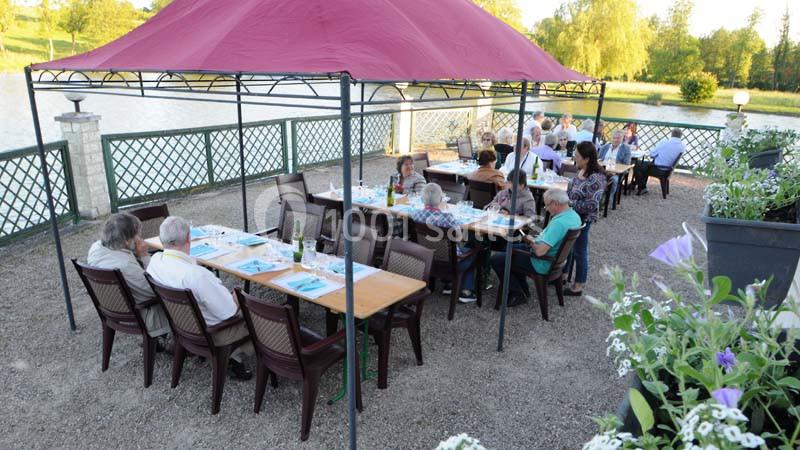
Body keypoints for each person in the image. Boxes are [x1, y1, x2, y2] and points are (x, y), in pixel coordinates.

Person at [146, 216, 253, 380]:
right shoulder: (196, 275)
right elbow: (229, 313)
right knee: (254, 309)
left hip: (183, 326)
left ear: (162, 239)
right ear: (189, 238)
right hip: (212, 333)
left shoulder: (155, 261)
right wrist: (238, 296)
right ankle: (241, 356)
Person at [490, 188, 581, 307]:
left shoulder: (559, 223)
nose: (546, 209)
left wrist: (530, 241)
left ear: (555, 204)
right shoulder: (573, 216)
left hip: (542, 262)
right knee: (508, 248)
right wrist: (536, 239)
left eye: (547, 205)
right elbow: (550, 239)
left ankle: (517, 293)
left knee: (496, 259)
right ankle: (523, 288)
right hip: (555, 259)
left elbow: (539, 252)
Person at [87, 213, 171, 341]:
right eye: (137, 235)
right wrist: (144, 255)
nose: (140, 237)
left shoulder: (96, 249)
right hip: (143, 313)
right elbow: (155, 290)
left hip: (112, 308)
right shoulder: (124, 266)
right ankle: (179, 340)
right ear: (126, 241)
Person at [411, 183, 479, 303]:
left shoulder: (416, 215)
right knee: (474, 251)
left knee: (462, 250)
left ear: (422, 199)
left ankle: (449, 284)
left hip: (425, 259)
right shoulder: (448, 218)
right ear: (441, 199)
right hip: (450, 262)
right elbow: (459, 238)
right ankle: (466, 291)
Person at [564, 142, 606, 296]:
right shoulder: (581, 171)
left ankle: (579, 285)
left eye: (577, 155)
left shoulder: (596, 178)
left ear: (587, 159)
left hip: (583, 218)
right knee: (566, 247)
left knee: (579, 251)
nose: (574, 157)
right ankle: (562, 274)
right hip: (570, 215)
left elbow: (592, 204)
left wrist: (570, 203)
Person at [634, 128, 685, 195]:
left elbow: (652, 154)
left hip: (658, 169)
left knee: (637, 165)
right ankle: (638, 185)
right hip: (668, 170)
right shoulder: (682, 146)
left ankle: (642, 187)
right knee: (644, 165)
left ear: (671, 134)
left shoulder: (664, 142)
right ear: (681, 136)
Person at [598, 130, 632, 200]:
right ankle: (595, 197)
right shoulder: (604, 147)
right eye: (614, 138)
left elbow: (626, 164)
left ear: (622, 139)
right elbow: (598, 159)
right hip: (602, 170)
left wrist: (616, 169)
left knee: (614, 180)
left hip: (616, 172)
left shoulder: (626, 149)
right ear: (611, 138)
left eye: (618, 138)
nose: (616, 140)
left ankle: (607, 200)